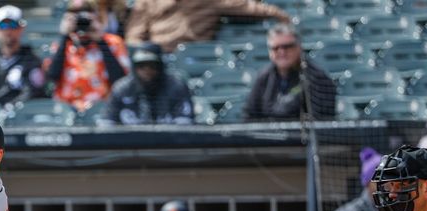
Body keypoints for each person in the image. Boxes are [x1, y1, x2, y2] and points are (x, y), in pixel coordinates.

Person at [45, 0, 130, 112]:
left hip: (103, 110)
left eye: (87, 10)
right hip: (66, 111)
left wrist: (100, 41)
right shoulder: (61, 45)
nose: (81, 16)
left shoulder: (113, 43)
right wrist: (65, 36)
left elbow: (120, 81)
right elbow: (52, 78)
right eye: (75, 11)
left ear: (96, 15)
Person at [244, 23, 335, 121]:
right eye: (276, 48)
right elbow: (250, 117)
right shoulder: (263, 77)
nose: (282, 52)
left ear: (299, 47)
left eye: (287, 46)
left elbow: (322, 124)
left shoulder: (317, 78)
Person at [125, 0, 290, 53]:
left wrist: (279, 14)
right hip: (157, 56)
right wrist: (143, 52)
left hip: (193, 55)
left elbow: (246, 6)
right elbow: (133, 35)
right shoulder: (147, 1)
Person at [102, 42, 193, 125]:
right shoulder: (122, 89)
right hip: (129, 142)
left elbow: (185, 125)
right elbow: (106, 123)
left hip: (169, 141)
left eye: (152, 65)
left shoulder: (176, 87)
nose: (147, 70)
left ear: (160, 66)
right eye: (141, 66)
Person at [0, 5, 45, 105]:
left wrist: (10, 109)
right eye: (3, 25)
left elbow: (34, 94)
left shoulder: (33, 62)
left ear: (21, 28)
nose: (8, 31)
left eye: (13, 25)